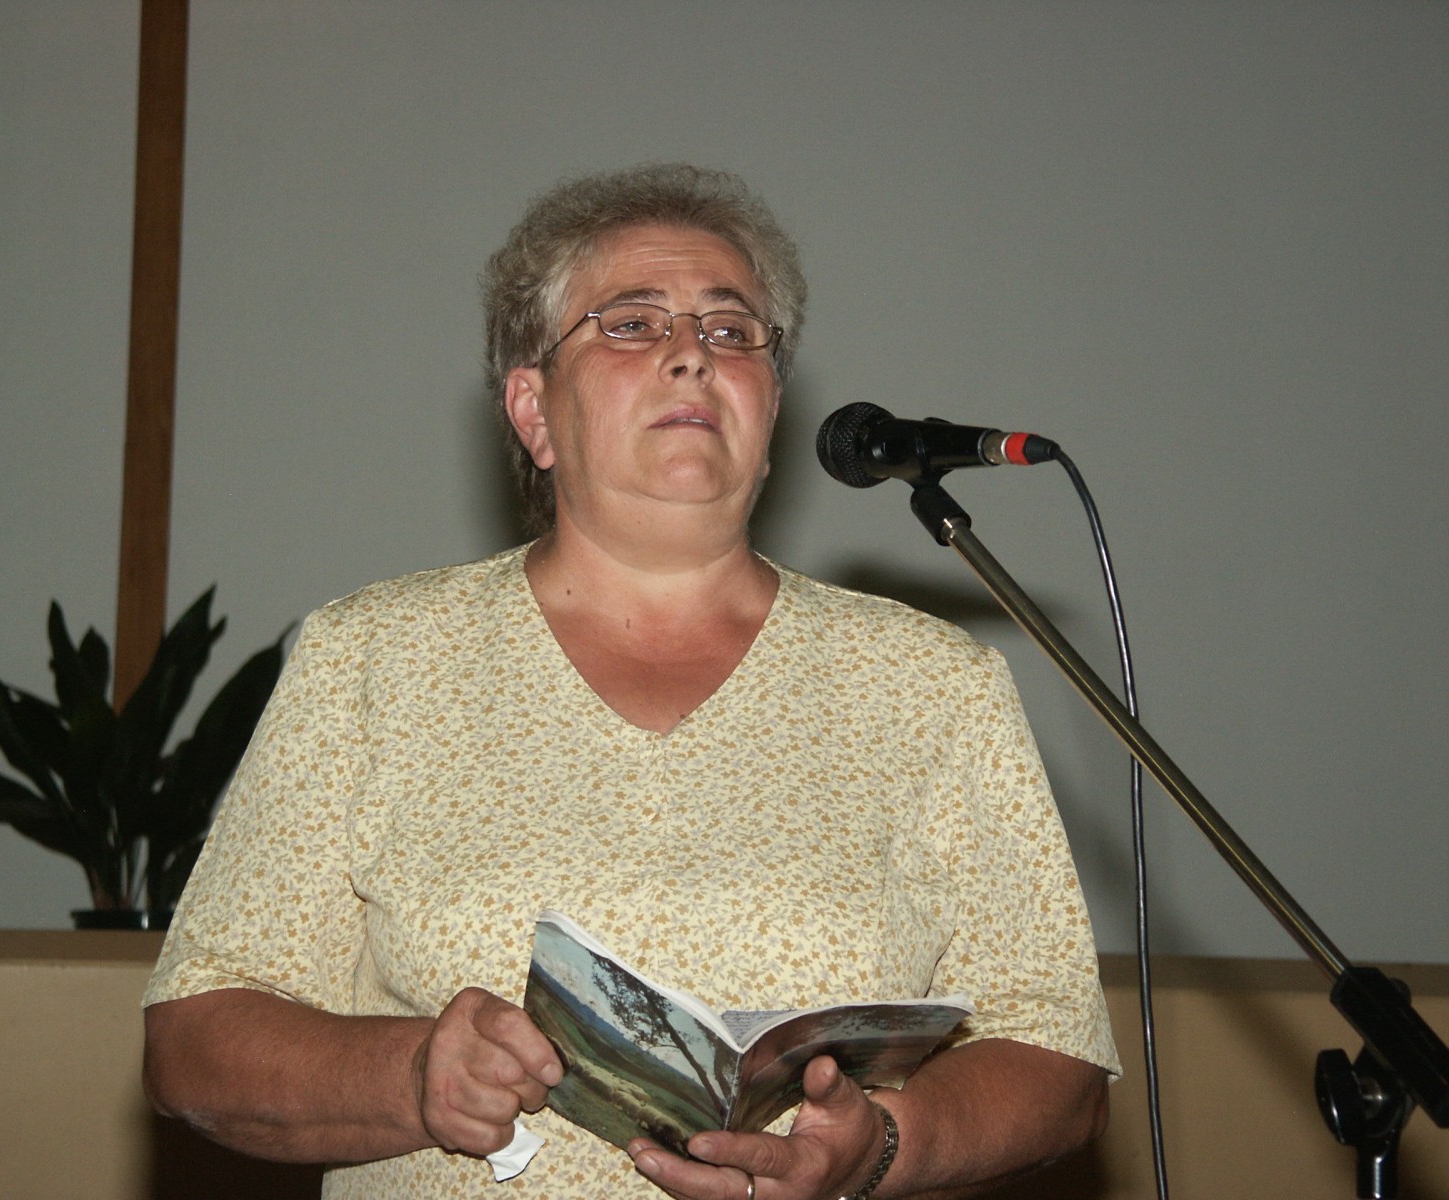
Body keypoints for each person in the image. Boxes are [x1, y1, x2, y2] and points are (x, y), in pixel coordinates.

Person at [142, 163, 1120, 1200]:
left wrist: (879, 1146)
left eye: (732, 331)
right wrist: (412, 1073)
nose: (693, 354)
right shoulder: (372, 659)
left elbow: (1056, 1056)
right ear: (532, 409)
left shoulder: (931, 684)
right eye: (631, 324)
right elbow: (194, 1043)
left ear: (770, 410)